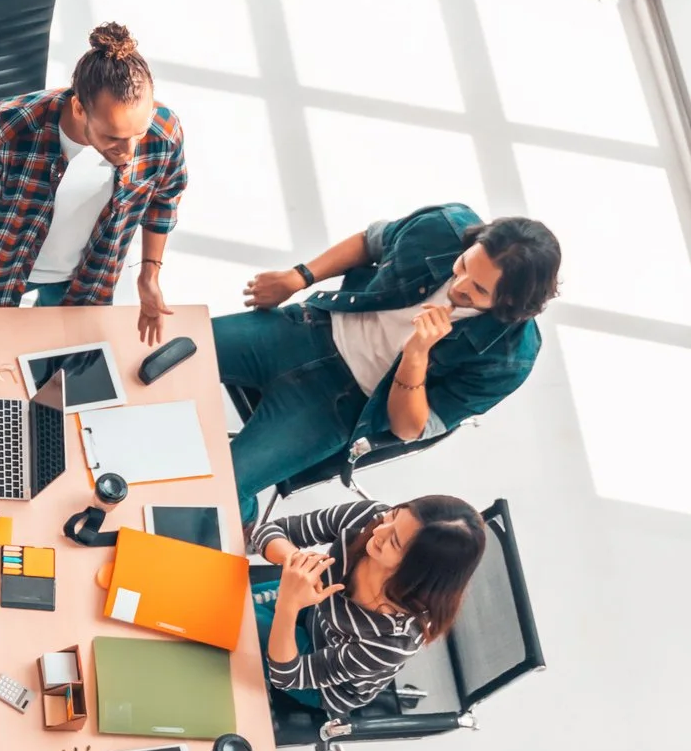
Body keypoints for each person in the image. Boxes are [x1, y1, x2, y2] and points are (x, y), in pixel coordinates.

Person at [218, 204, 561, 525]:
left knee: (223, 486)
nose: (458, 285)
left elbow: (409, 429)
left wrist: (415, 357)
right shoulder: (443, 226)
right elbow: (370, 243)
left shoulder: (510, 358)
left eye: (478, 289)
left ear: (511, 302)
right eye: (464, 266)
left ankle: (247, 529)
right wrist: (299, 277)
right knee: (171, 346)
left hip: (340, 405)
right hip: (306, 328)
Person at [0, 22, 188, 345]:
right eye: (113, 137)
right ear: (78, 108)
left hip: (91, 275)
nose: (129, 152)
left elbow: (165, 198)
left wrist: (149, 275)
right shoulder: (13, 125)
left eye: (137, 133)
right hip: (5, 264)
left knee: (66, 360)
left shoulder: (163, 132)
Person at [251, 497, 487, 717]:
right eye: (392, 517)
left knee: (233, 616)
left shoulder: (393, 641)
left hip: (324, 683)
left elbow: (288, 675)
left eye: (394, 541)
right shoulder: (370, 518)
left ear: (417, 572)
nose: (378, 530)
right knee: (225, 601)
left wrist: (289, 605)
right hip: (315, 610)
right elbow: (268, 532)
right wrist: (298, 564)